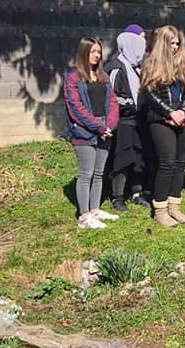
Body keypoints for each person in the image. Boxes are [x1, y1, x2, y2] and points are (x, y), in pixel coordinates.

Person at [140, 25, 185, 228]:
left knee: (181, 163)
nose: (175, 47)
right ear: (163, 43)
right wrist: (169, 112)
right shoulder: (150, 64)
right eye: (171, 43)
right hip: (161, 120)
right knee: (167, 163)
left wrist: (183, 110)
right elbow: (150, 93)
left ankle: (175, 205)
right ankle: (161, 209)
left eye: (177, 43)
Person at [64, 37, 120, 229]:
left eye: (98, 52)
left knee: (99, 173)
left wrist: (110, 125)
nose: (96, 55)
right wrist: (98, 126)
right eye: (92, 51)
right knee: (86, 173)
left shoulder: (103, 77)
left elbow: (113, 102)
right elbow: (76, 108)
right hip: (85, 131)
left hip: (105, 129)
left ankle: (95, 210)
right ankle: (84, 216)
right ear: (83, 53)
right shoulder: (73, 78)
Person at [103, 25, 149, 211]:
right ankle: (118, 196)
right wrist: (131, 103)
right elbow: (111, 95)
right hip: (123, 123)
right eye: (141, 39)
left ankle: (137, 192)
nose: (144, 44)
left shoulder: (138, 67)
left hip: (139, 121)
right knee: (122, 158)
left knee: (138, 157)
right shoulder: (116, 67)